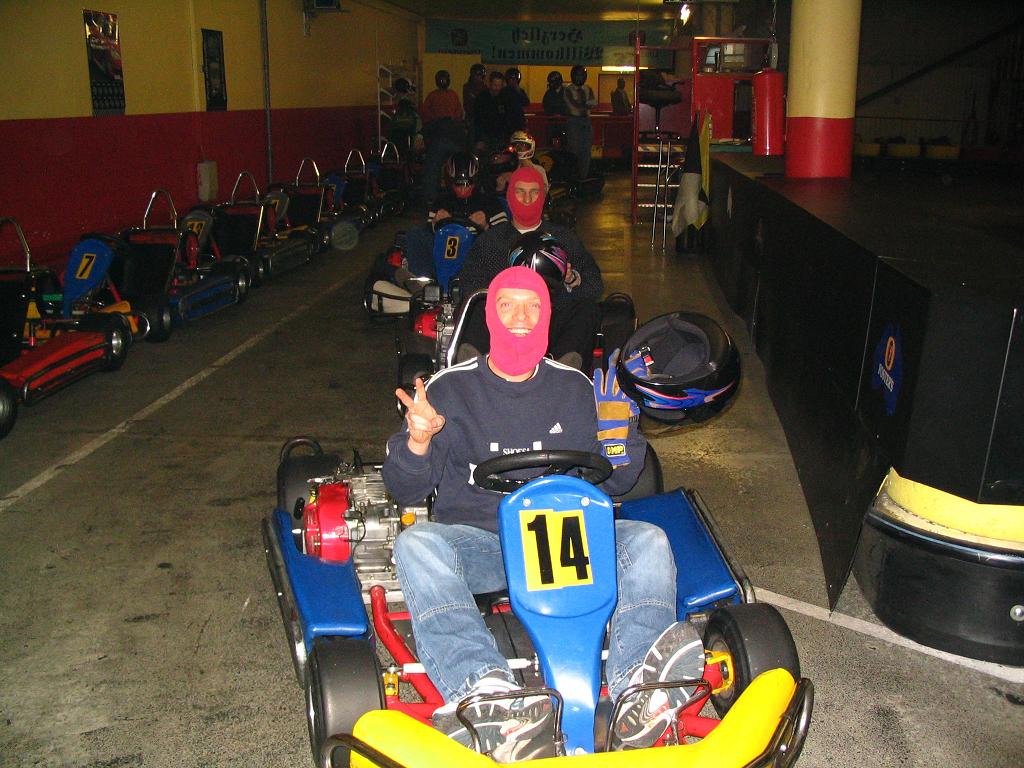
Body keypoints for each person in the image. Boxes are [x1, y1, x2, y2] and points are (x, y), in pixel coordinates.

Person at [383, 265, 704, 759]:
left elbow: (614, 483)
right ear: (491, 315)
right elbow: (407, 488)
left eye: (533, 306)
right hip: (484, 542)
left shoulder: (575, 388)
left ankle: (637, 689)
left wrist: (618, 441)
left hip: (566, 537)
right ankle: (486, 691)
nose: (521, 317)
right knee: (417, 544)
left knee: (647, 540)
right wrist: (419, 441)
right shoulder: (448, 390)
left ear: (547, 316)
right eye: (508, 305)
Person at [458, 166, 600, 369]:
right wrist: (504, 297)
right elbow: (468, 284)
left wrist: (572, 278)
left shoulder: (564, 238)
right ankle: (473, 367)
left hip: (552, 320)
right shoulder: (490, 241)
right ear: (510, 196)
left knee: (587, 309)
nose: (527, 199)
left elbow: (595, 284)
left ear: (542, 196)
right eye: (520, 192)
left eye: (533, 192)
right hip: (504, 322)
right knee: (472, 306)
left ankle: (565, 368)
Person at [419, 70, 468, 203]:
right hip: (446, 138)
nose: (443, 82)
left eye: (444, 79)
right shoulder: (436, 96)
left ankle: (432, 196)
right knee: (438, 163)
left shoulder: (448, 95)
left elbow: (426, 117)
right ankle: (459, 193)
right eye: (441, 79)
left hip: (446, 139)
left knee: (434, 163)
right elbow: (458, 115)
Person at [564, 65, 596, 179]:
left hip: (586, 122)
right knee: (574, 149)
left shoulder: (588, 89)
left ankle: (583, 176)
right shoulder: (568, 89)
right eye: (577, 75)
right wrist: (584, 105)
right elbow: (573, 107)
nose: (579, 78)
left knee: (586, 150)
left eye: (581, 75)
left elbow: (593, 103)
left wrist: (580, 104)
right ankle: (573, 176)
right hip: (573, 121)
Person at [473, 71, 512, 153]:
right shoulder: (482, 98)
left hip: (501, 138)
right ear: (490, 84)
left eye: (499, 85)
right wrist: (479, 139)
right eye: (495, 85)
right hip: (485, 137)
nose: (497, 88)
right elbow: (477, 121)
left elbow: (508, 119)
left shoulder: (505, 98)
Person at [462, 63, 487, 139]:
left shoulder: (484, 88)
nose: (479, 78)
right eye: (477, 76)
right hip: (471, 118)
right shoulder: (467, 87)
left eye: (481, 76)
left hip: (483, 118)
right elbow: (467, 105)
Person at [502, 67, 529, 132]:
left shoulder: (520, 91)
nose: (513, 81)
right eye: (511, 79)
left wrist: (519, 92)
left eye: (515, 79)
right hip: (506, 121)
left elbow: (526, 102)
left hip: (518, 121)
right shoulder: (504, 91)